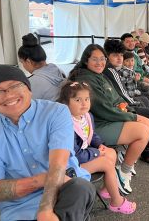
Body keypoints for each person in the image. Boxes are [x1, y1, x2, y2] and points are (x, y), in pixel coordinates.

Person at [0, 65, 95, 221]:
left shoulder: (56, 112)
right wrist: (41, 180)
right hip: (19, 209)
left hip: (65, 192)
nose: (8, 95)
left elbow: (58, 165)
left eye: (15, 86)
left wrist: (45, 212)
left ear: (29, 89)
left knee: (80, 187)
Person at [68, 44, 149, 193]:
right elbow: (103, 109)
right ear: (86, 60)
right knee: (143, 131)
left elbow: (115, 96)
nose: (100, 63)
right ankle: (123, 171)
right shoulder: (86, 79)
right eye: (95, 59)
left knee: (148, 124)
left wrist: (123, 105)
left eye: (102, 59)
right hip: (97, 127)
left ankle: (126, 164)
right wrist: (131, 115)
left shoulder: (98, 75)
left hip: (111, 117)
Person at [58, 81, 136, 213]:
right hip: (69, 166)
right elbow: (75, 155)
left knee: (111, 153)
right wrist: (97, 153)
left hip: (84, 155)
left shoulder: (87, 116)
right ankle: (116, 202)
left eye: (87, 99)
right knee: (105, 163)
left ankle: (107, 188)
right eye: (78, 100)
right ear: (66, 103)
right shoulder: (66, 124)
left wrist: (100, 145)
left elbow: (92, 134)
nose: (84, 103)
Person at [18, 33, 66, 101]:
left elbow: (27, 105)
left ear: (28, 61)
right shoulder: (57, 69)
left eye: (22, 62)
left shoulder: (33, 81)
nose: (23, 65)